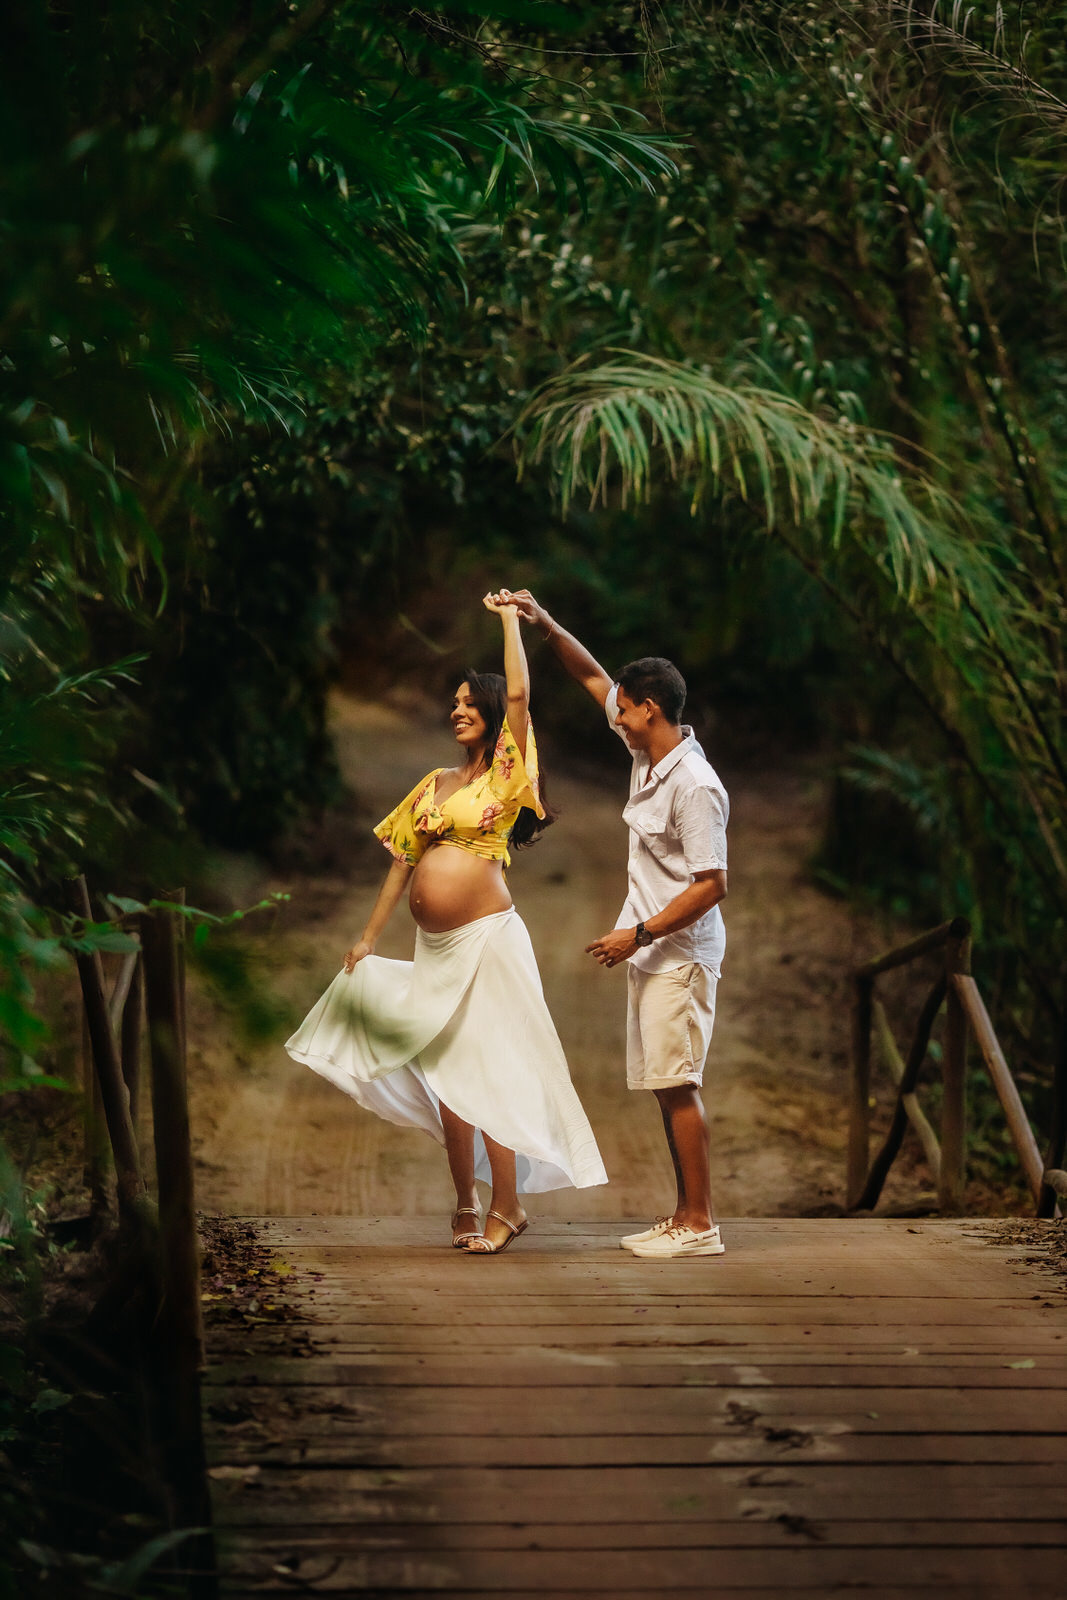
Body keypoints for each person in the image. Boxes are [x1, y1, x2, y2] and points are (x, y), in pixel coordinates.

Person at [285, 594, 607, 1253]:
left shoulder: (507, 775)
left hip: (487, 939)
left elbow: (520, 694)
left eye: (468, 703)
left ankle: (507, 1206)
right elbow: (402, 863)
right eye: (454, 703)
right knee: (447, 1073)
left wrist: (510, 623)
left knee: (490, 1065)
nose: (457, 710)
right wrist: (369, 936)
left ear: (489, 716)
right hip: (432, 945)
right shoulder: (432, 783)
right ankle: (464, 1199)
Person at [504, 588, 728, 1260]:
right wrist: (544, 625)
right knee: (664, 1084)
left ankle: (699, 1224)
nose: (618, 719)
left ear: (651, 709)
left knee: (677, 1084)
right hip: (654, 952)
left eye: (626, 711)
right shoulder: (647, 756)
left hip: (678, 952)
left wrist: (640, 933)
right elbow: (590, 675)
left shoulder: (695, 785)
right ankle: (684, 1214)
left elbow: (713, 884)